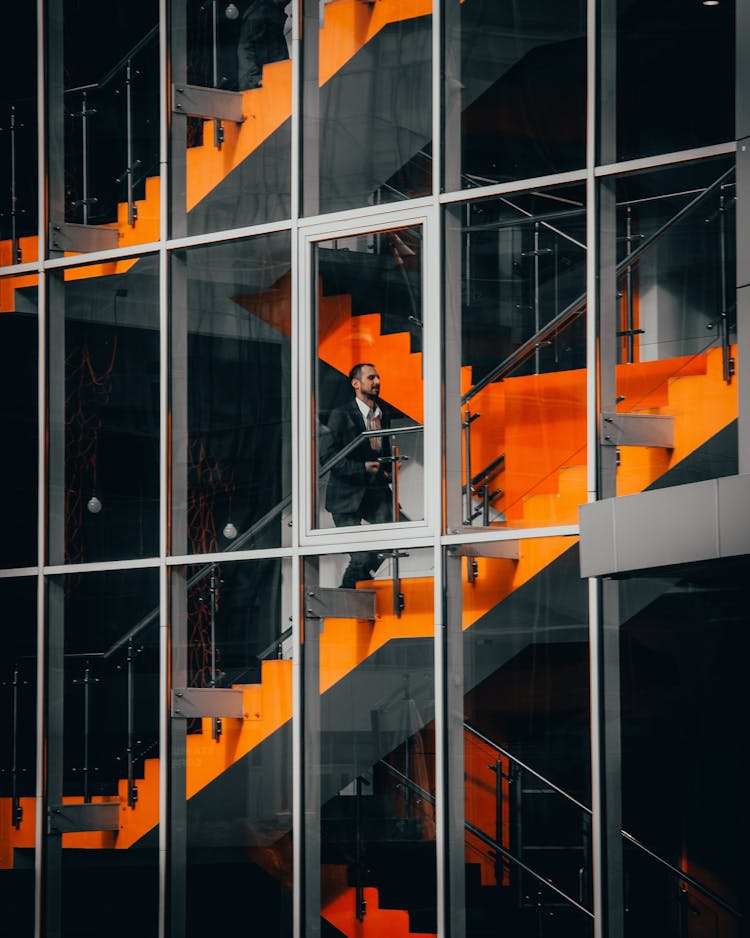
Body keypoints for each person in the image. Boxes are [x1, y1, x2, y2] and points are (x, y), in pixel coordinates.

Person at [324, 363, 395, 588]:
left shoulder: (382, 413)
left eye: (378, 377)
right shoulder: (341, 415)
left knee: (391, 543)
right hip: (345, 496)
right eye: (371, 377)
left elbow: (381, 450)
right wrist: (362, 468)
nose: (377, 382)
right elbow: (328, 458)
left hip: (375, 492)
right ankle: (348, 595)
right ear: (356, 384)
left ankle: (355, 592)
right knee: (362, 557)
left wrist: (387, 469)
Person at [236, 0, 289, 90]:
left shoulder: (271, 11)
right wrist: (256, 79)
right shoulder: (261, 10)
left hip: (269, 82)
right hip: (259, 86)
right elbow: (245, 48)